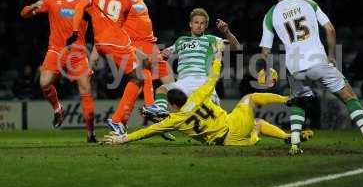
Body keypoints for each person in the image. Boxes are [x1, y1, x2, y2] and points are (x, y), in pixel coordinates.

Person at [103, 41, 314, 146]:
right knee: (249, 99)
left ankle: (286, 137)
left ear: (173, 105)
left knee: (256, 124)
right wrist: (218, 55)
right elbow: (213, 77)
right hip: (232, 126)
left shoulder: (176, 119)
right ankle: (287, 101)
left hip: (227, 143)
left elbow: (146, 132)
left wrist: (123, 139)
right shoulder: (199, 95)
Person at [259, 0, 363, 155]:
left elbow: (265, 50)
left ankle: (295, 143)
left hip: (295, 68)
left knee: (298, 100)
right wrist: (332, 56)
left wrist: (268, 70)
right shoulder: (309, 3)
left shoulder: (270, 15)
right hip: (318, 61)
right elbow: (330, 29)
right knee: (349, 96)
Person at [66, 0, 146, 136]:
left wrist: (75, 31)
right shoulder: (127, 0)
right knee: (139, 76)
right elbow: (122, 27)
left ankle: (120, 121)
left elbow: (80, 7)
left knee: (141, 70)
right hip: (117, 43)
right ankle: (118, 120)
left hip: (101, 43)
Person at [20, 0, 97, 142]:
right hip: (56, 50)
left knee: (86, 91)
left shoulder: (86, 2)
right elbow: (24, 14)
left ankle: (91, 133)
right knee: (44, 83)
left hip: (78, 53)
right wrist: (32, 7)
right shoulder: (51, 0)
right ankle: (58, 109)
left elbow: (100, 22)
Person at [142, 7, 240, 118]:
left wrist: (226, 32)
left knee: (215, 119)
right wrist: (162, 54)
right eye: (196, 22)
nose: (199, 25)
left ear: (206, 25)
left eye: (202, 23)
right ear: (190, 24)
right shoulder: (181, 41)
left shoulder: (211, 39)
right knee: (161, 89)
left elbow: (236, 46)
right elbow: (166, 52)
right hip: (183, 82)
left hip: (203, 81)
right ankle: (160, 113)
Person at [120, 0, 175, 141]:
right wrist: (132, 49)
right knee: (137, 87)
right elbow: (118, 30)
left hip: (152, 48)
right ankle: (121, 123)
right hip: (137, 49)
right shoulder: (122, 1)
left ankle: (161, 122)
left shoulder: (141, 1)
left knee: (172, 86)